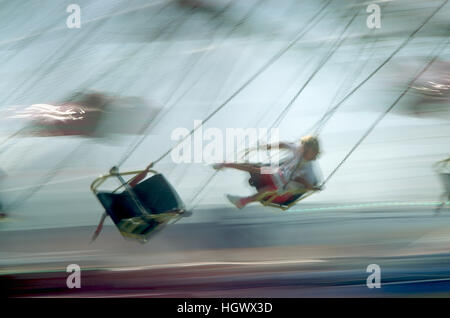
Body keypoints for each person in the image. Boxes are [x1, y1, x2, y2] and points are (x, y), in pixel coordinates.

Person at [213, 135, 322, 209]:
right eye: (304, 148)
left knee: (269, 190)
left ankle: (242, 202)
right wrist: (268, 147)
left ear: (314, 152)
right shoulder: (299, 149)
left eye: (308, 151)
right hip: (276, 172)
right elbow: (284, 144)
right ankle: (225, 164)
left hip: (284, 189)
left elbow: (303, 182)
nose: (303, 151)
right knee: (254, 168)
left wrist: (311, 187)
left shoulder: (309, 170)